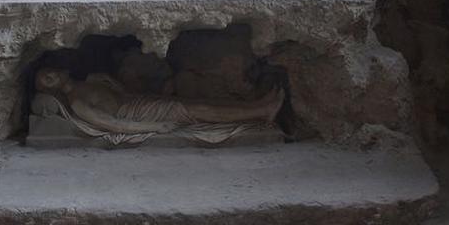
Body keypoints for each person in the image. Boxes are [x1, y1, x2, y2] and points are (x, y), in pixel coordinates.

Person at [34, 68, 284, 143]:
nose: (51, 75)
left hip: (139, 102)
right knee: (194, 111)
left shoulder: (92, 78)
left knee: (194, 103)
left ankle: (258, 105)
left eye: (50, 72)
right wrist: (155, 126)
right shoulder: (78, 103)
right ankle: (262, 112)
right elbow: (112, 123)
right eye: (46, 79)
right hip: (136, 113)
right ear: (50, 89)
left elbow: (124, 91)